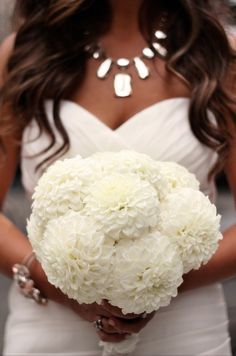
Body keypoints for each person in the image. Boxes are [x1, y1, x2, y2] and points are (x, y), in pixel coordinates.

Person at [0, 0, 236, 355]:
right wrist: (58, 285)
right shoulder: (26, 53)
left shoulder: (218, 54)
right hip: (49, 330)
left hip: (185, 332)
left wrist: (155, 284)